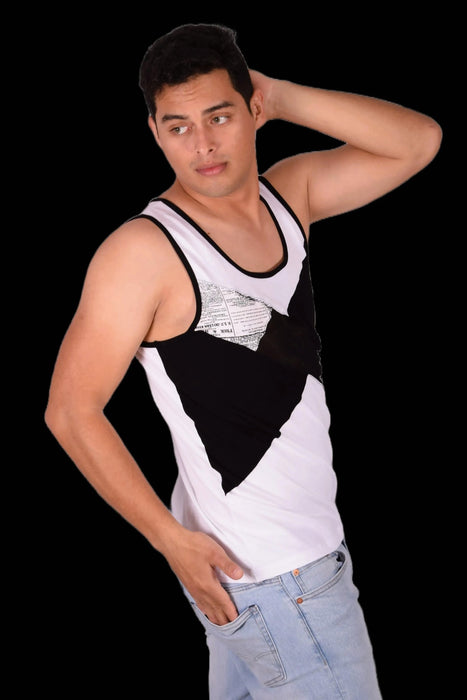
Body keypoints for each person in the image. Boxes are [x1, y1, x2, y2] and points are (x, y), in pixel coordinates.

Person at [45, 23, 441, 699]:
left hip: (280, 569)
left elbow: (417, 141)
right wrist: (169, 540)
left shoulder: (289, 197)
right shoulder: (143, 253)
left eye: (219, 117)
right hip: (280, 581)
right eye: (177, 127)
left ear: (252, 109)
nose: (201, 145)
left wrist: (280, 95)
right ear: (154, 132)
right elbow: (70, 411)